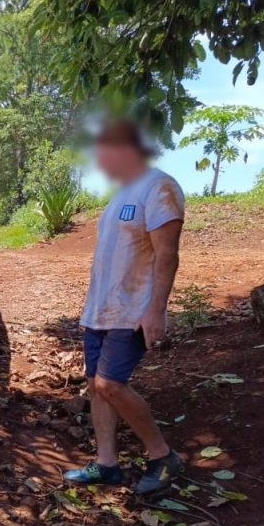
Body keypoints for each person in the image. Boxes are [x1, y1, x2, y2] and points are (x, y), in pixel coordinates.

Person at [63, 120, 185, 494]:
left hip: (133, 309)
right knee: (95, 387)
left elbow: (167, 254)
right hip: (101, 309)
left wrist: (156, 309)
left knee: (110, 384)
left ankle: (162, 456)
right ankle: (107, 464)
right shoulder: (121, 194)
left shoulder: (160, 187)